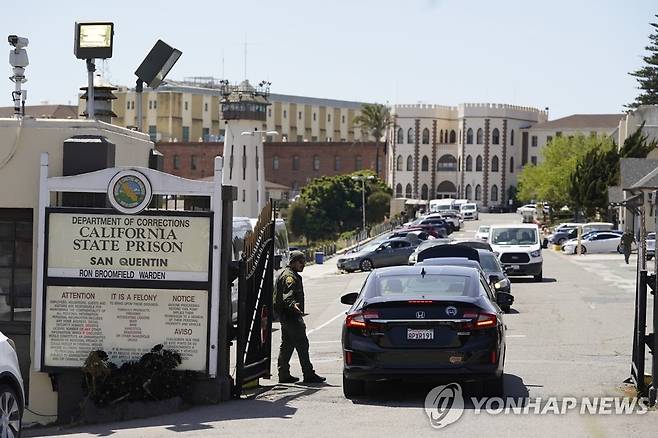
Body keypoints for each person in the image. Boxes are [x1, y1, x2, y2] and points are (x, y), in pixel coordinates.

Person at [273, 251, 326, 384]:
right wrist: (293, 306)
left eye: (304, 262)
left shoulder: (289, 274)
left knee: (287, 345)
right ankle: (308, 374)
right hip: (291, 316)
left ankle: (284, 374)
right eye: (300, 262)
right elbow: (288, 296)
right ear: (293, 262)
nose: (303, 264)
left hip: (286, 316)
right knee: (302, 344)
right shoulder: (289, 277)